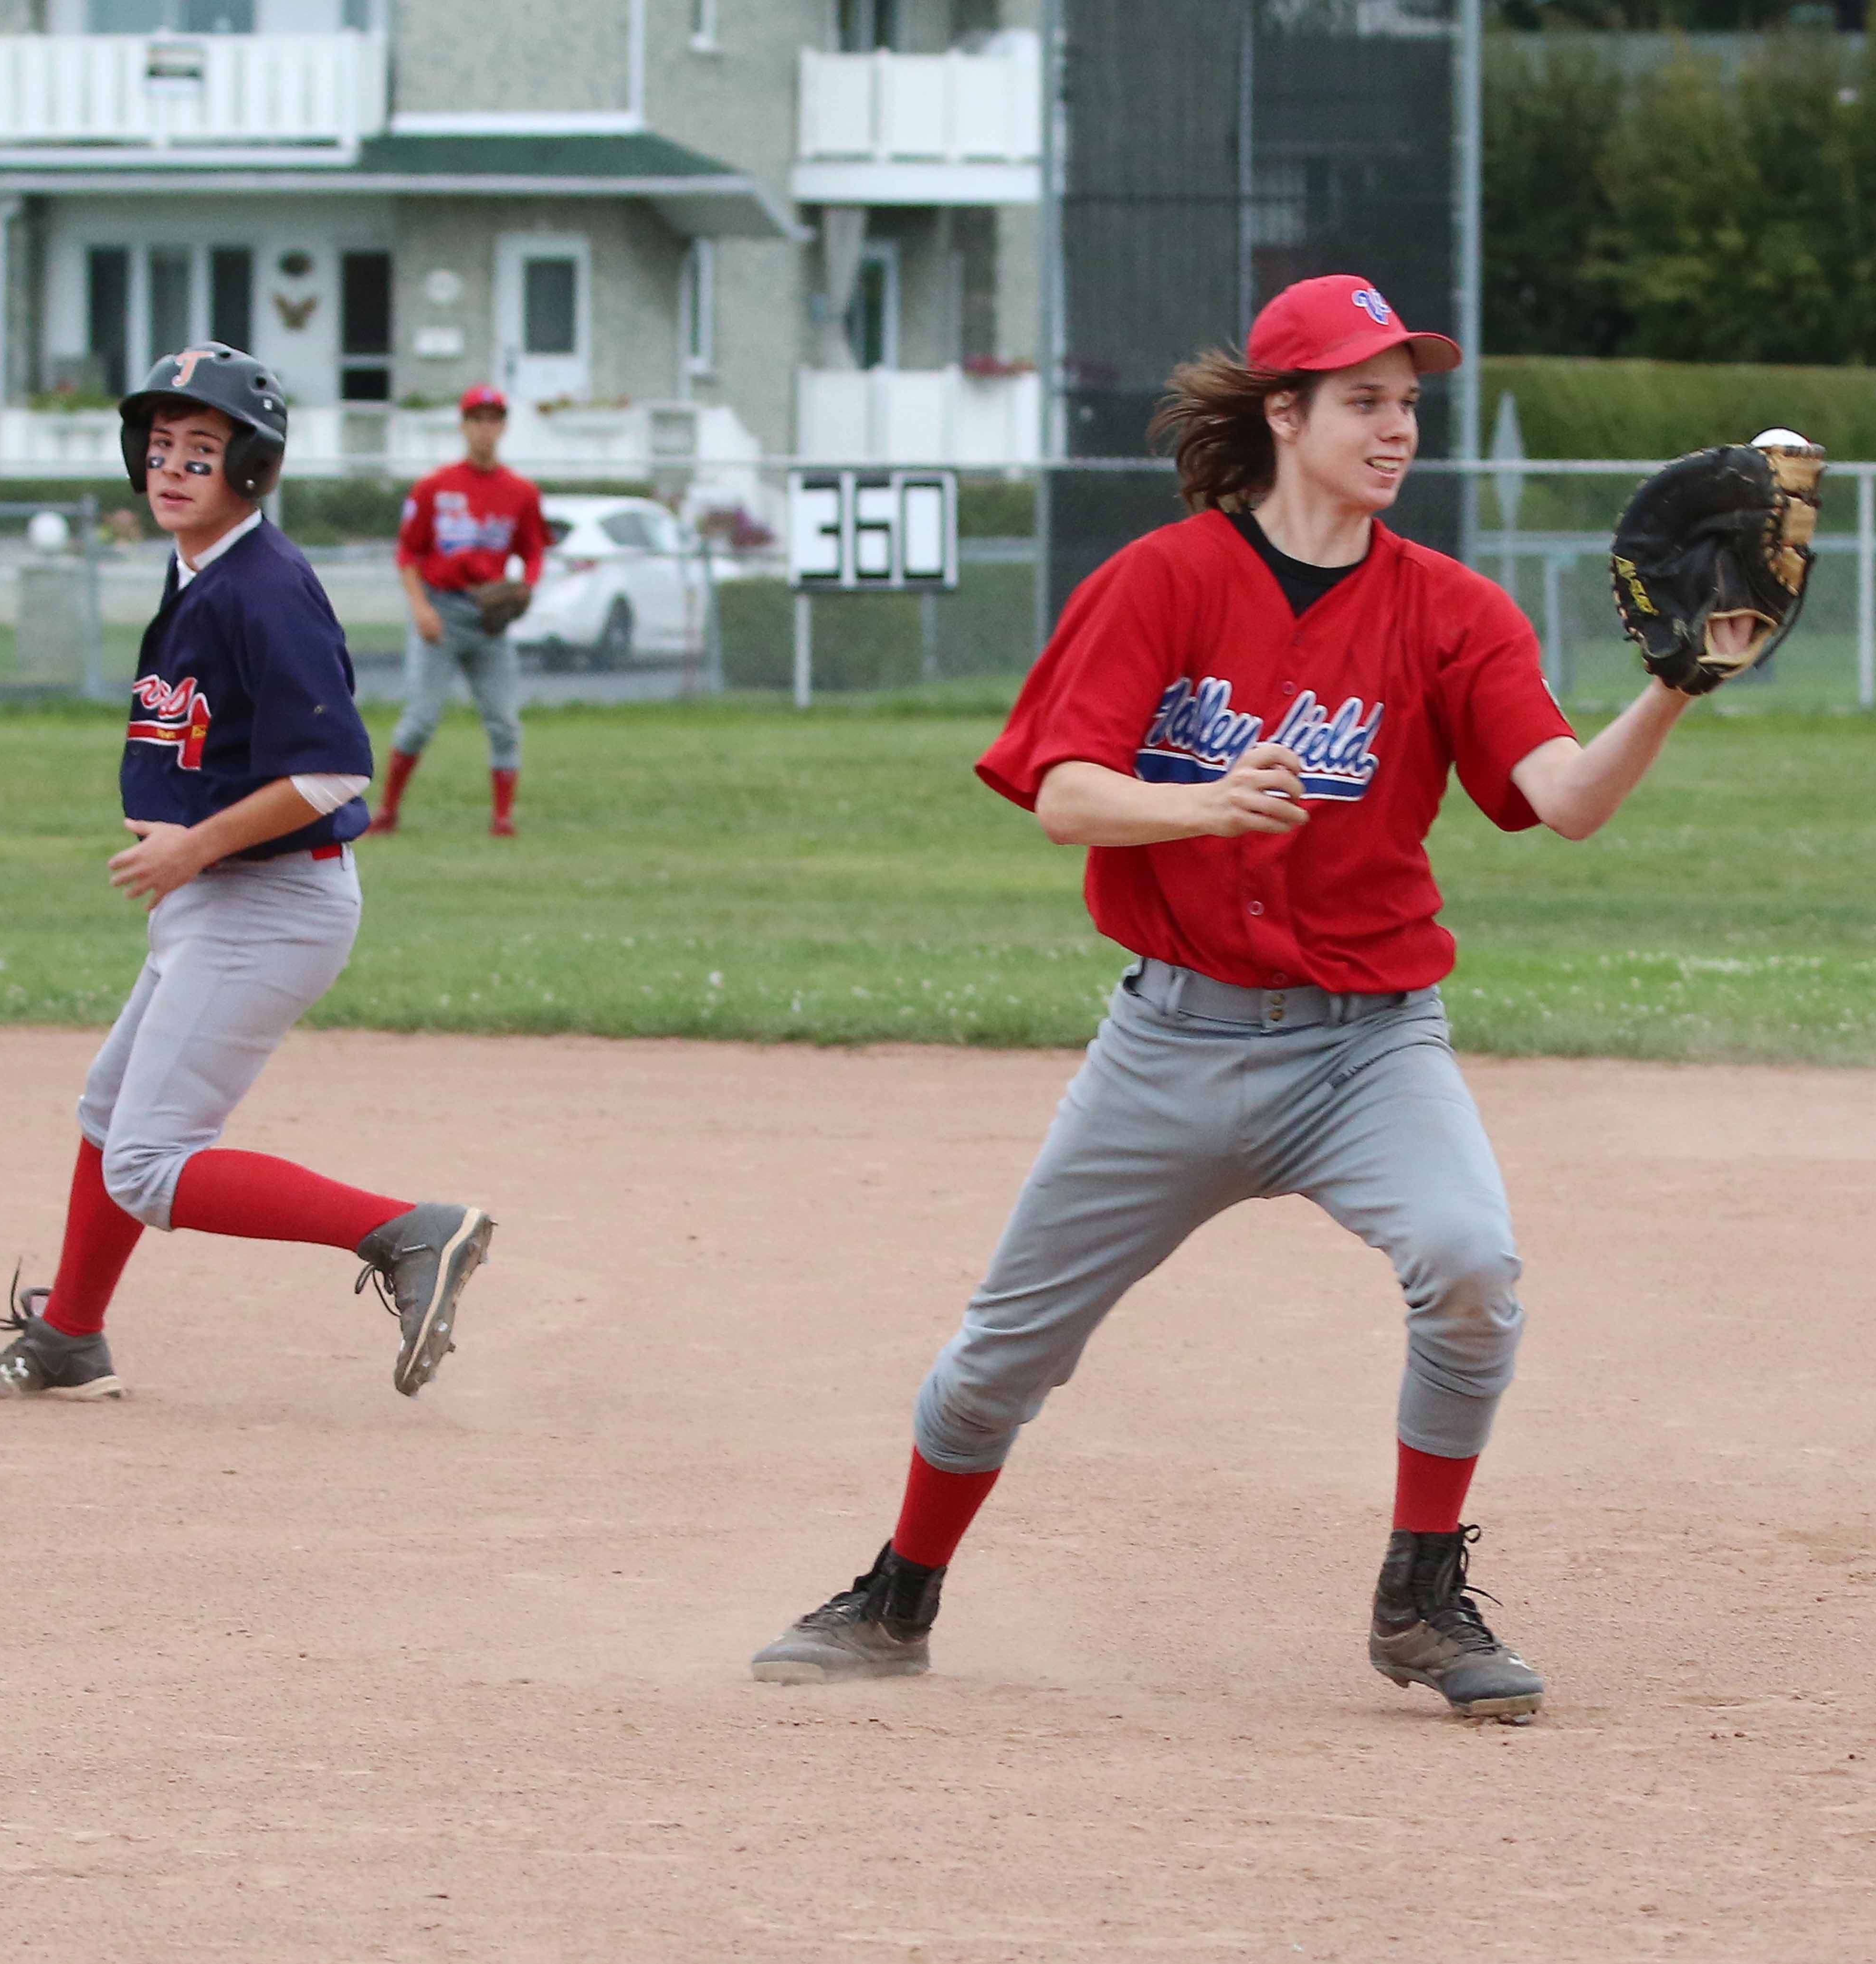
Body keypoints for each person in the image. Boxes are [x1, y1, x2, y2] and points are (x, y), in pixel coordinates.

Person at [748, 276, 1750, 1721]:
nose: (1396, 425)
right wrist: (1209, 801)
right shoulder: (1163, 581)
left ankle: (1419, 1597)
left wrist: (1671, 690)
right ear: (1284, 415)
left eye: (1408, 400)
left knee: (1471, 1270)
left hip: (1367, 1050)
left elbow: (1561, 799)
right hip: (1172, 1043)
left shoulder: (1451, 613)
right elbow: (1067, 797)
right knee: (997, 1363)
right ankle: (899, 1593)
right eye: (1363, 398)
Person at [0, 342, 494, 1402]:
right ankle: (69, 1335)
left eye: (204, 450)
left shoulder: (266, 586)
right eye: (161, 448)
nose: (174, 469)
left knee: (148, 1160)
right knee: (110, 1114)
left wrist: (195, 844)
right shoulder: (202, 567)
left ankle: (407, 1235)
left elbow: (334, 768)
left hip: (269, 903)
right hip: (225, 898)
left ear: (252, 467)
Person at [366, 384, 548, 838]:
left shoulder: (521, 492)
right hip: (441, 613)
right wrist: (421, 610)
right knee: (420, 720)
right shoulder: (435, 487)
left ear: (503, 427)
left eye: (493, 419)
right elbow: (407, 554)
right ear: (463, 426)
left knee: (505, 722)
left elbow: (535, 551)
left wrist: (526, 587)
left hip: (489, 619)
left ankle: (502, 820)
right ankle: (387, 812)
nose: (485, 429)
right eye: (476, 419)